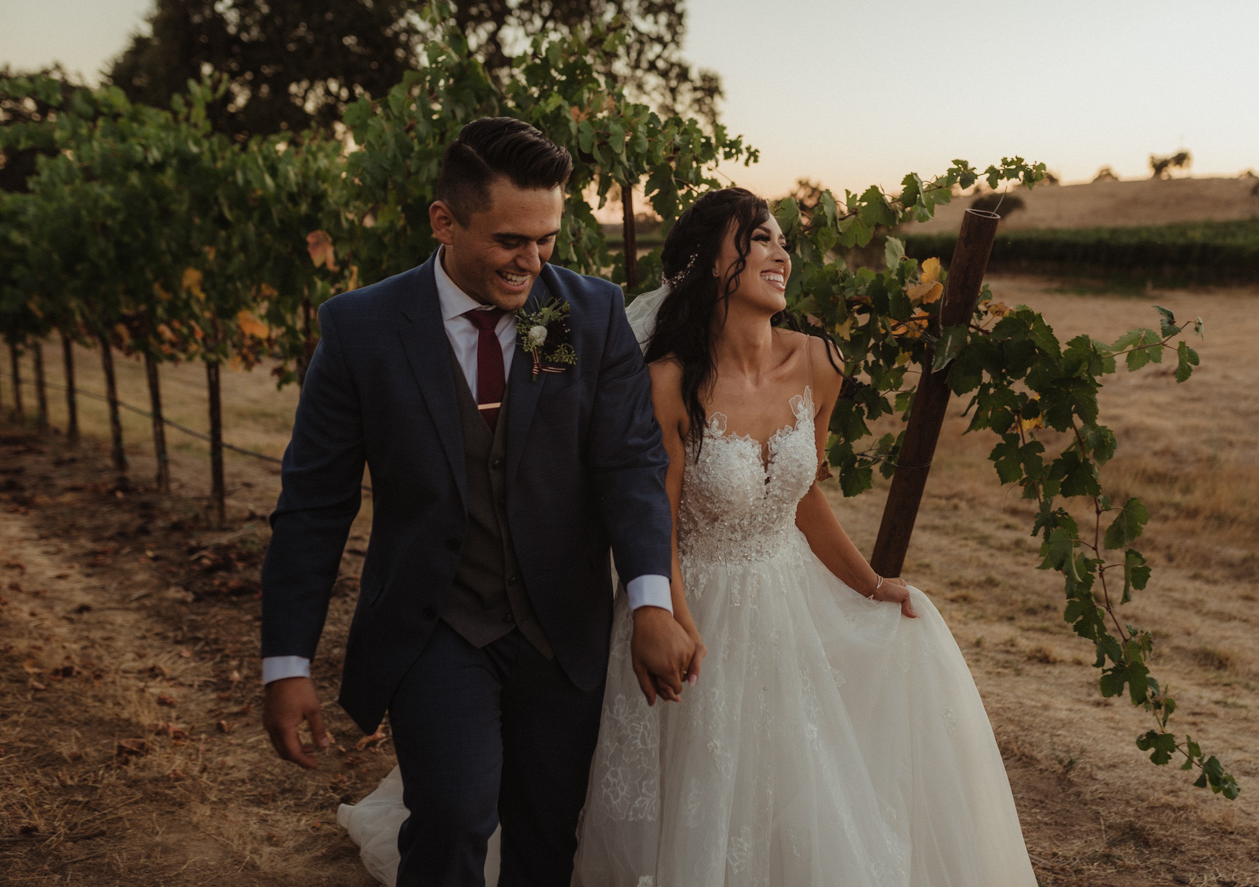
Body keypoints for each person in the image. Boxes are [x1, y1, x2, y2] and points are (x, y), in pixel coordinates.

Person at [341, 187, 1038, 886]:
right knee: (693, 794)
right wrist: (664, 613)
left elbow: (803, 497)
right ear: (711, 264)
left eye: (780, 239)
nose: (780, 251)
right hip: (695, 604)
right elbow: (654, 516)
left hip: (786, 601)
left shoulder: (820, 362)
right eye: (758, 238)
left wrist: (870, 583)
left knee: (789, 784)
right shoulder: (667, 384)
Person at [260, 117, 699, 887]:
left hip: (560, 626)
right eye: (508, 241)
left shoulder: (573, 313)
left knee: (544, 831)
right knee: (455, 816)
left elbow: (626, 465)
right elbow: (313, 507)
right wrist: (286, 662)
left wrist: (651, 602)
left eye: (547, 240)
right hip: (437, 624)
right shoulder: (362, 330)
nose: (531, 262)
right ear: (444, 221)